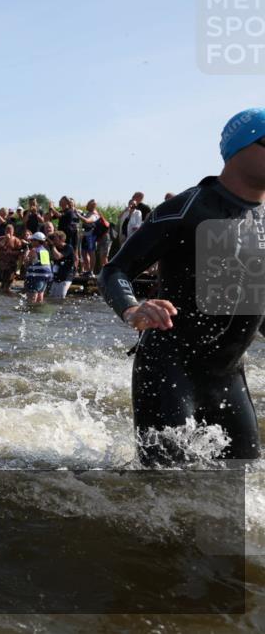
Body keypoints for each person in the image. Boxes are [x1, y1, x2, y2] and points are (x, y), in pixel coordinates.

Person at [98, 107, 265, 466]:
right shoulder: (188, 208)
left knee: (243, 482)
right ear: (240, 147)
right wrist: (132, 309)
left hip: (228, 377)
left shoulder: (262, 219)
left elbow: (252, 302)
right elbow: (115, 270)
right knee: (168, 488)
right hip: (170, 370)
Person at [22, 232, 52, 304]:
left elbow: (26, 264)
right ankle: (38, 309)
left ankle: (31, 309)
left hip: (36, 277)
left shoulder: (34, 250)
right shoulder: (45, 251)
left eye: (32, 240)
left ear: (37, 241)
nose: (31, 242)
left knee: (31, 298)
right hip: (45, 277)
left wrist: (26, 254)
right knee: (40, 296)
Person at [0, 224, 24, 293]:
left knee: (7, 284)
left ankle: (7, 290)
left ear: (13, 232)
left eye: (10, 231)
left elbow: (20, 252)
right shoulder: (1, 238)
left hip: (11, 264)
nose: (8, 232)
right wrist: (5, 240)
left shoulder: (16, 240)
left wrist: (11, 252)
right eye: (7, 230)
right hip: (0, 262)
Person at [48, 231, 75, 299]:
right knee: (51, 297)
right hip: (57, 276)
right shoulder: (55, 247)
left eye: (55, 238)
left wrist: (53, 246)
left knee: (60, 297)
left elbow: (58, 256)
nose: (53, 240)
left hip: (66, 277)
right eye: (53, 238)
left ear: (62, 239)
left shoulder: (68, 247)